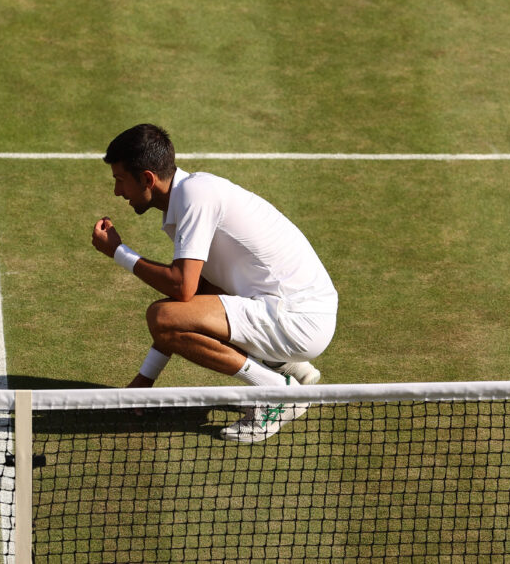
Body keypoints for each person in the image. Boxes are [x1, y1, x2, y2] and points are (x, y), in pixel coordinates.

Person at [91, 124, 338, 443]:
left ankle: (277, 392)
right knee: (184, 307)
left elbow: (181, 289)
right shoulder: (189, 197)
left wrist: (118, 252)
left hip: (298, 318)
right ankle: (287, 365)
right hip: (294, 311)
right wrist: (143, 381)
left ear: (148, 179)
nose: (117, 192)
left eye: (120, 180)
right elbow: (194, 300)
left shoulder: (195, 197)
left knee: (162, 315)